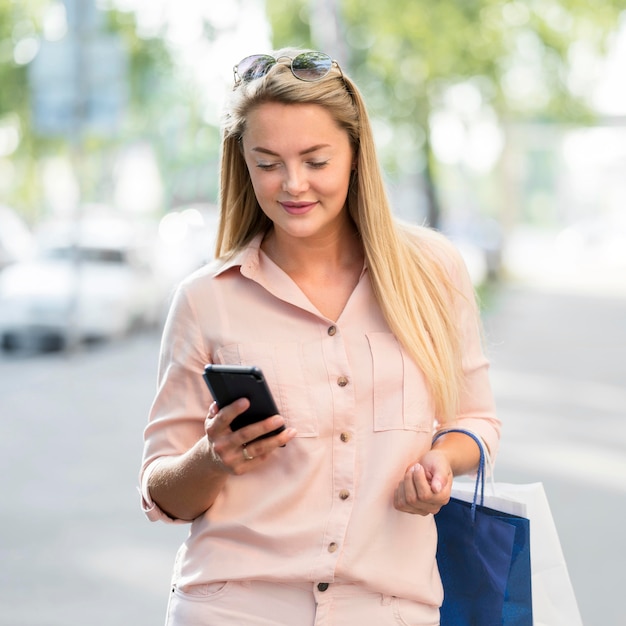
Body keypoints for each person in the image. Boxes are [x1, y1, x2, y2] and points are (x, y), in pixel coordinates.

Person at [140, 47, 501, 626]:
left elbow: (478, 420)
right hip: (232, 608)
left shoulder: (433, 272)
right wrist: (213, 457)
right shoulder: (206, 298)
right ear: (243, 166)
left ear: (356, 155)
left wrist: (441, 461)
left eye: (315, 160)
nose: (292, 184)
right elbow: (163, 493)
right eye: (267, 162)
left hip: (390, 608)